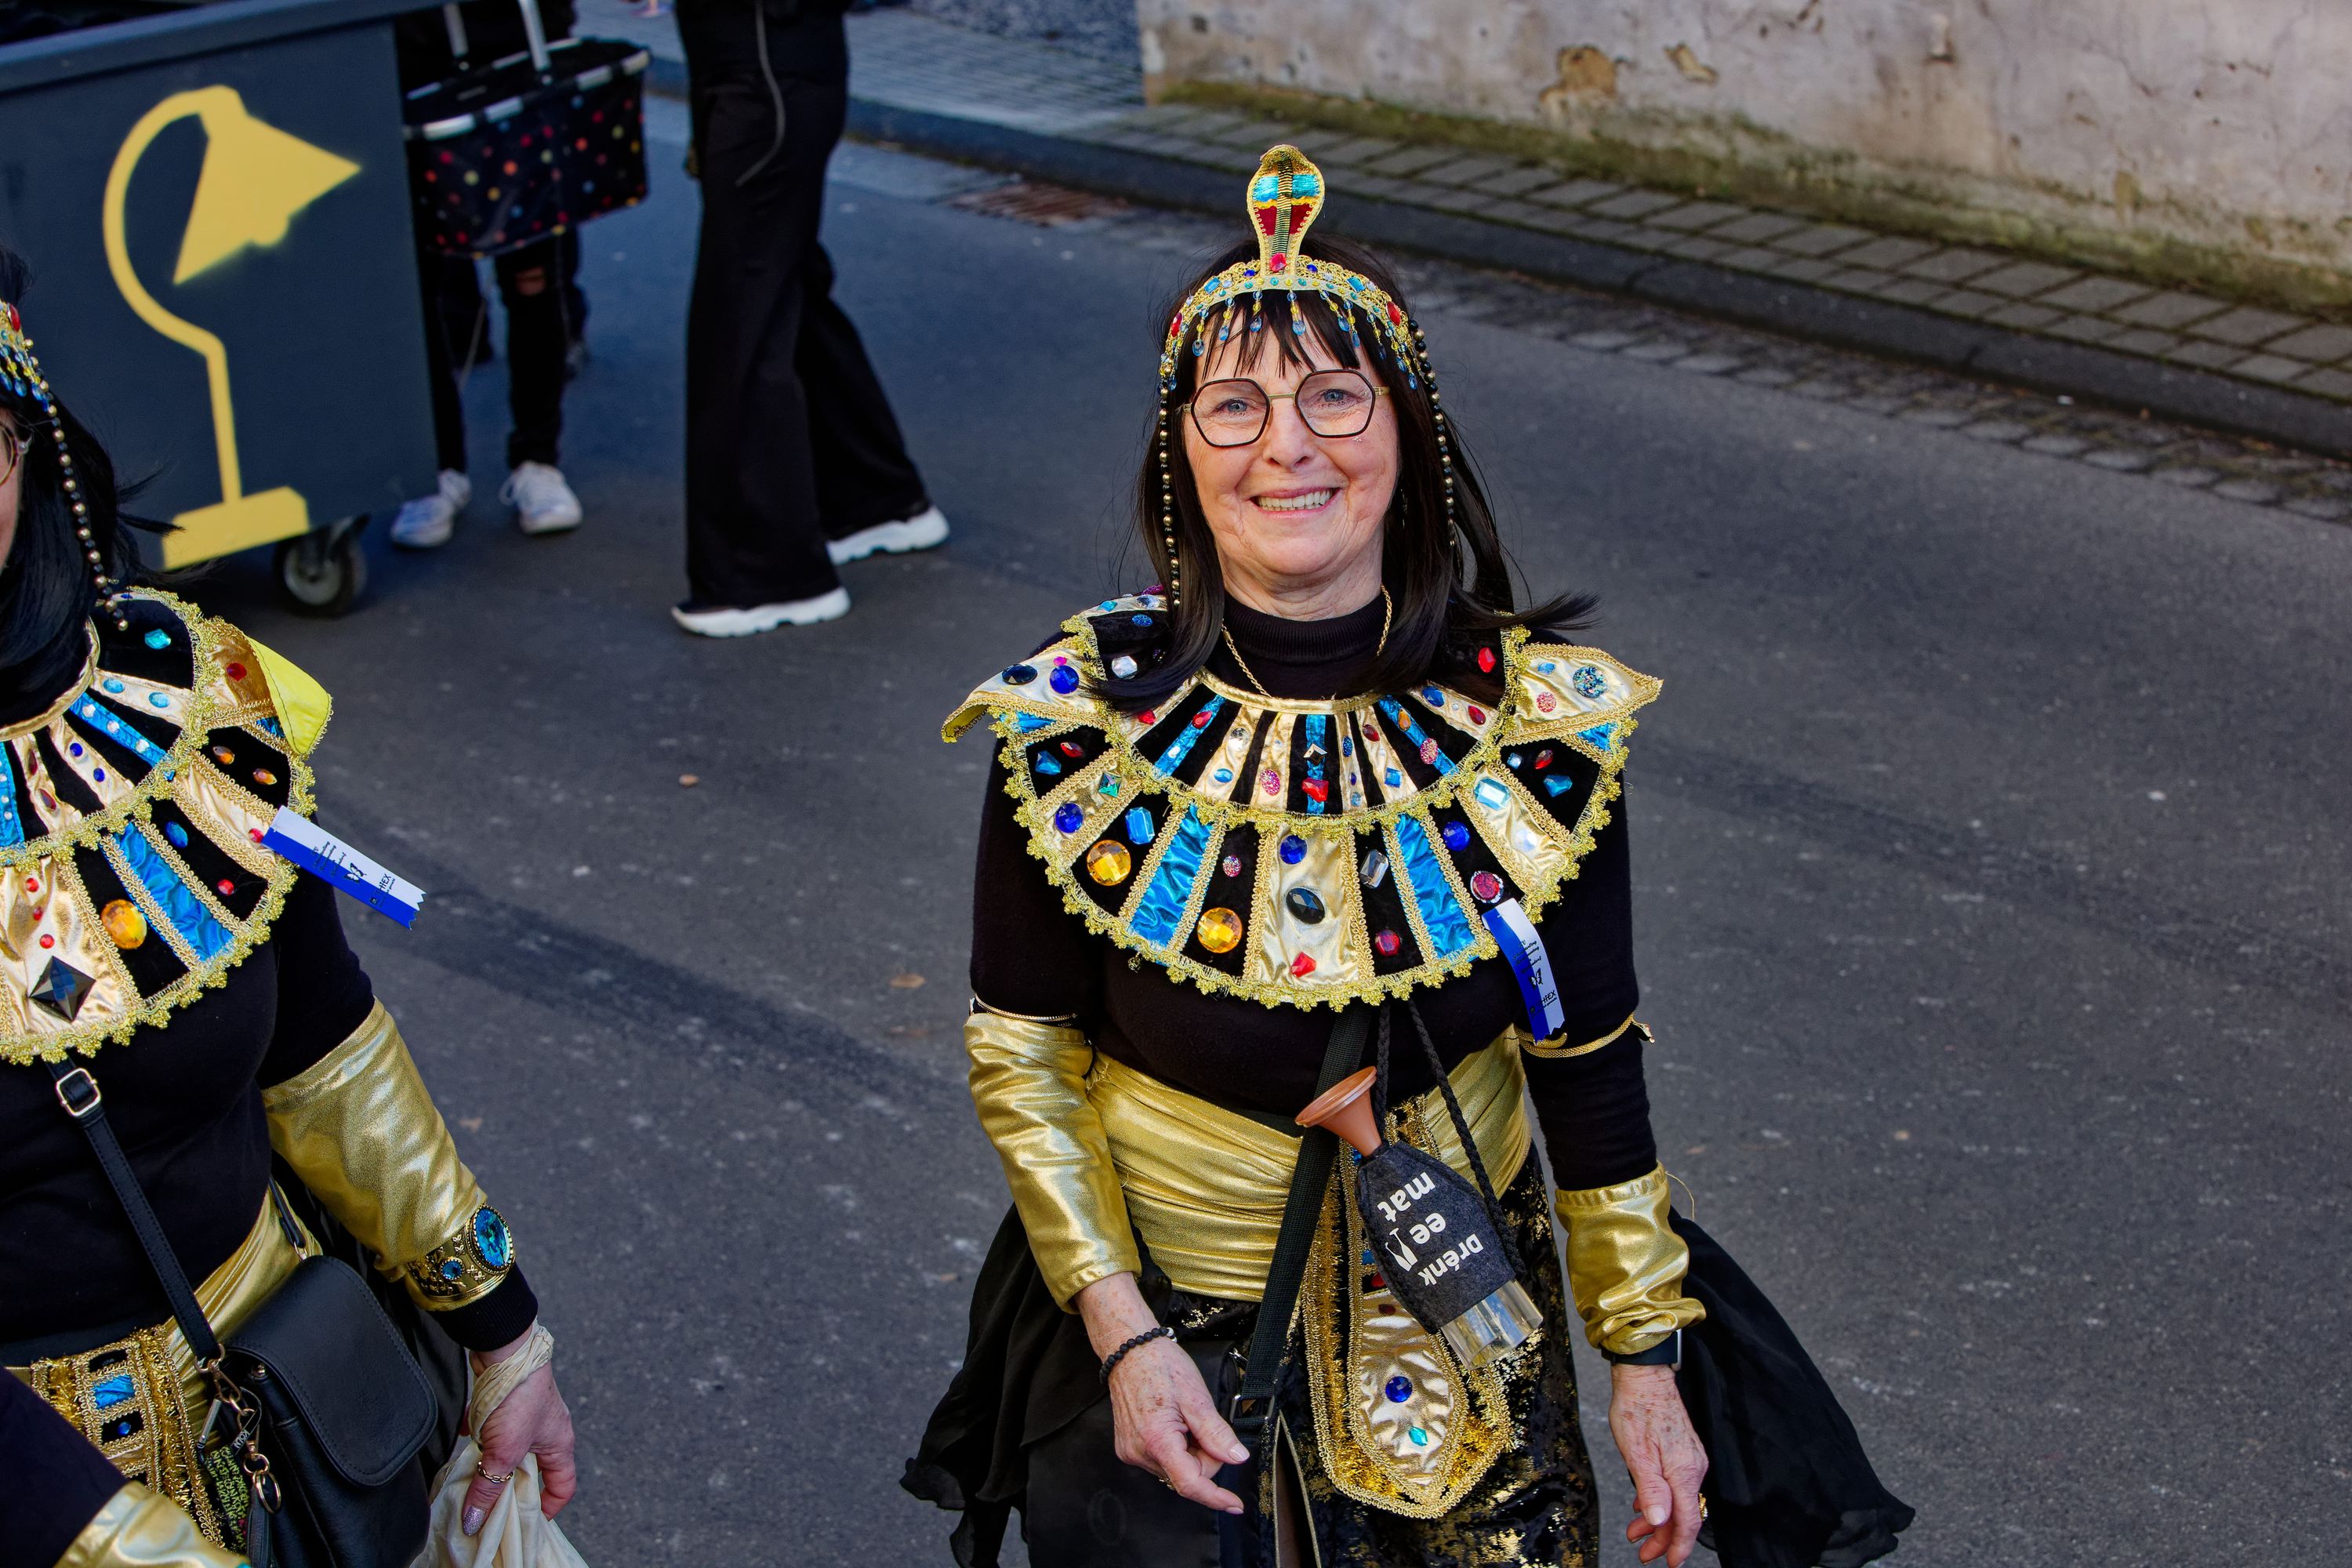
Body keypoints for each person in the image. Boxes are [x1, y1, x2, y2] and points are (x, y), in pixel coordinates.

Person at [904, 150, 1911, 1568]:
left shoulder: (1539, 722)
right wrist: (1121, 1332)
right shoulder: (1075, 721)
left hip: (1461, 1306)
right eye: (1234, 403)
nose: (1286, 447)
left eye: (1334, 396)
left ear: (1409, 434)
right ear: (1181, 449)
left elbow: (1587, 1049)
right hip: (1164, 1322)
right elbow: (1024, 1053)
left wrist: (1642, 1355)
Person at [0, 254, 576, 1564]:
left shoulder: (181, 700)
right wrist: (110, 1543)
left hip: (289, 1431)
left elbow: (317, 1036)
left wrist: (500, 1330)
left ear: (28, 455)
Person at [669, 0, 949, 637]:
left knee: (740, 316)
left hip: (767, 62)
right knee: (779, 286)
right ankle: (873, 499)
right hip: (759, 59)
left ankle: (768, 574)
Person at [389, 0, 590, 546]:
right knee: (416, 278)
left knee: (533, 271)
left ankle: (538, 458)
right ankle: (435, 468)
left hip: (516, 43)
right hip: (408, 48)